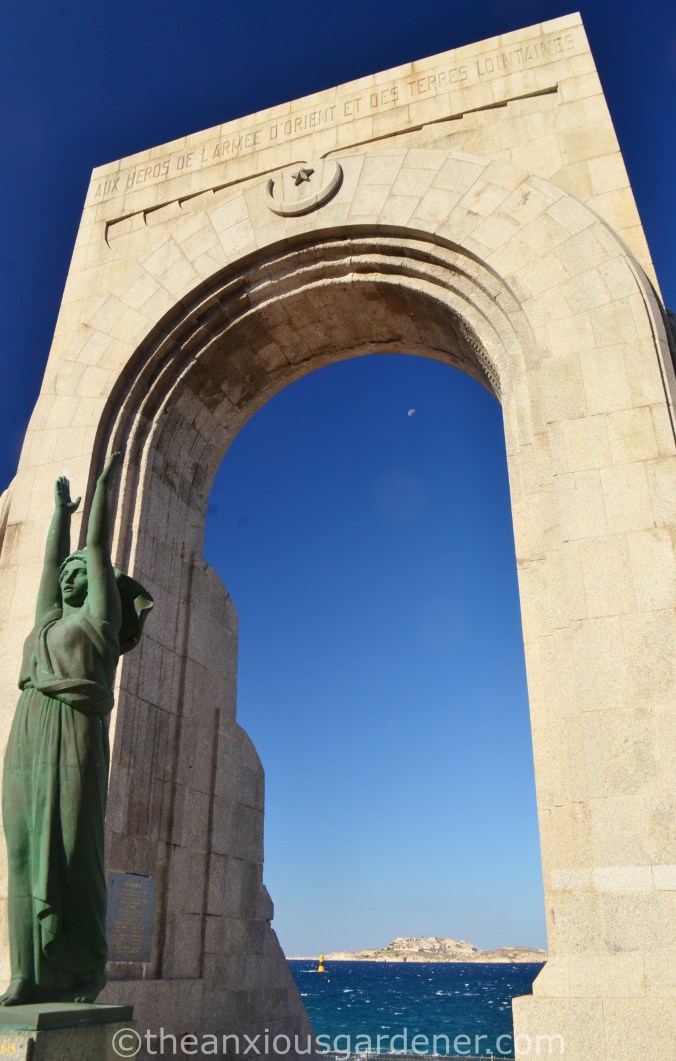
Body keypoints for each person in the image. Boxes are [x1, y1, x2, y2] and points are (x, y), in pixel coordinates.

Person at [0, 452, 152, 1005]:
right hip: (29, 732)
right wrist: (58, 517)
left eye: (78, 573)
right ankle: (29, 973)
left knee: (72, 849)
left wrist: (102, 494)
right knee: (20, 851)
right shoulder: (47, 623)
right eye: (66, 573)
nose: (68, 575)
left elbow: (96, 550)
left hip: (77, 733)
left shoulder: (98, 623)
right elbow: (47, 569)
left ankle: (87, 967)